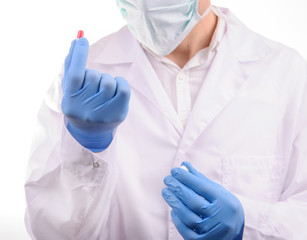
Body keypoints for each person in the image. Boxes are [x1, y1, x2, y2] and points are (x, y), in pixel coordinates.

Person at [24, 0, 307, 239]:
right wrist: (84, 147)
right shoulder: (84, 77)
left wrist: (249, 224)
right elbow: (51, 231)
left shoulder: (285, 73)